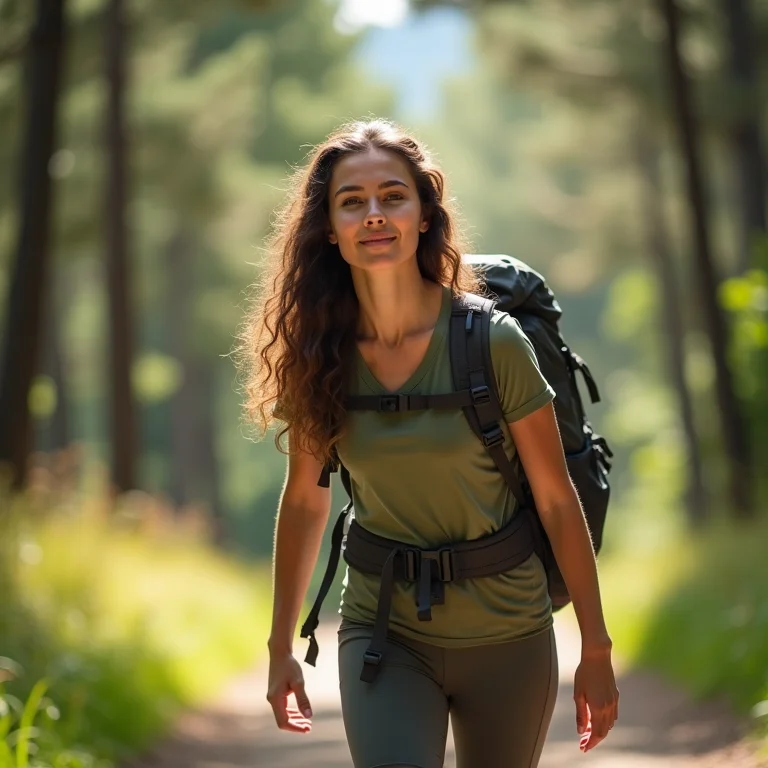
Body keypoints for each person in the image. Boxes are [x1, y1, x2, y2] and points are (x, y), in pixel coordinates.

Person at [237, 118, 619, 768]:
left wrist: (596, 648)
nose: (374, 214)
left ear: (423, 213)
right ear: (329, 228)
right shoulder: (320, 357)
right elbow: (305, 501)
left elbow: (557, 500)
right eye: (352, 202)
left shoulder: (493, 342)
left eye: (393, 196)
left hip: (509, 631)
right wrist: (279, 649)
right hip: (384, 630)